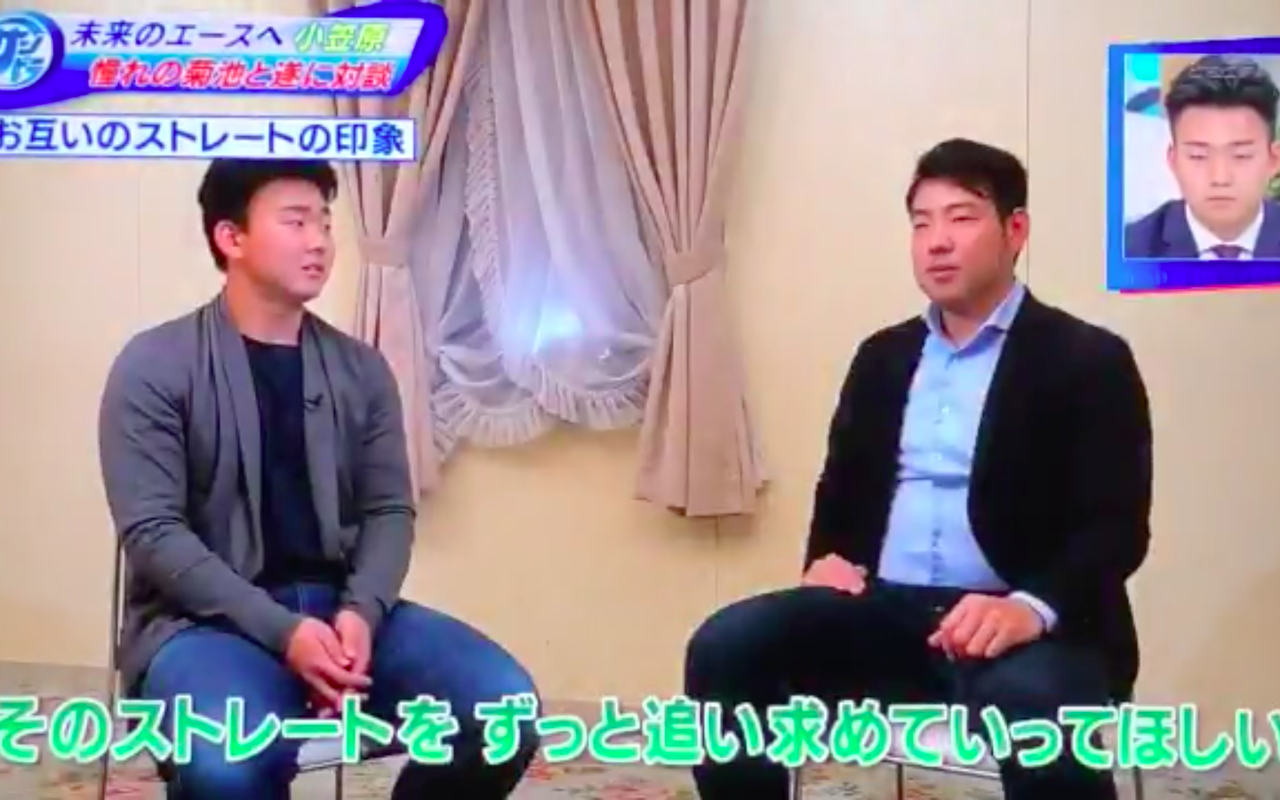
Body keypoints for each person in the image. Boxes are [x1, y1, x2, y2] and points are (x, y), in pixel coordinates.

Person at [685, 139, 1153, 800]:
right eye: (921, 223)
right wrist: (827, 559)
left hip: (1023, 623)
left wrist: (1030, 608)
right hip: (889, 614)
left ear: (1015, 230)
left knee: (1035, 706)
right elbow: (841, 486)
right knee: (726, 645)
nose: (937, 241)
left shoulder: (1087, 359)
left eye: (961, 218)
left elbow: (1115, 528)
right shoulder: (883, 356)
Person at [98, 159, 540, 799]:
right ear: (231, 237)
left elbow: (389, 510)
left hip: (339, 610)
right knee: (229, 765)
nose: (319, 242)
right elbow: (153, 532)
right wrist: (284, 633)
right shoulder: (154, 365)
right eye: (296, 222)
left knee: (504, 711)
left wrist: (361, 613)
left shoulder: (361, 369)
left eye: (326, 224)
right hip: (204, 625)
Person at [1125, 54, 1280, 259]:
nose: (1220, 178)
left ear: (1274, 160)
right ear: (1173, 161)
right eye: (1198, 156)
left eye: (1241, 155)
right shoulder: (1129, 250)